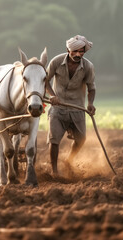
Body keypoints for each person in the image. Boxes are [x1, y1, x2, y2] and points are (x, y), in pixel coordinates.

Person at [45, 34, 96, 175]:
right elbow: (45, 80)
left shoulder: (88, 67)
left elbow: (91, 88)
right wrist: (52, 95)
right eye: (75, 51)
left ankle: (69, 160)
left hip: (77, 108)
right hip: (58, 107)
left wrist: (90, 104)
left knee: (81, 139)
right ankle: (54, 171)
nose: (78, 54)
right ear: (68, 50)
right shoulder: (56, 61)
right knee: (54, 140)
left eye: (81, 52)